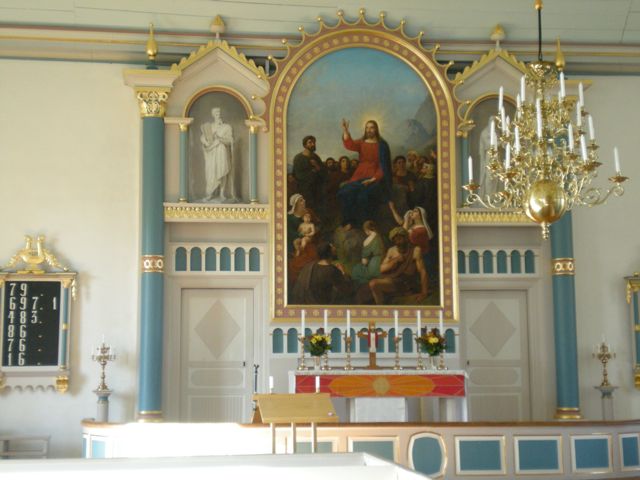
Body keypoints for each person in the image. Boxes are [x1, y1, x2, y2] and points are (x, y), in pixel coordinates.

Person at [337, 119, 392, 230]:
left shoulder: (382, 145)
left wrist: (372, 179)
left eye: (371, 127)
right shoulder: (362, 142)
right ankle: (349, 221)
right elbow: (349, 145)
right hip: (359, 176)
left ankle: (361, 224)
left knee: (363, 196)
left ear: (376, 129)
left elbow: (383, 167)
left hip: (375, 177)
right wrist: (345, 130)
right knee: (344, 192)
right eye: (367, 127)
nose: (369, 130)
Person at [368, 227, 428, 304]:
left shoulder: (415, 250)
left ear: (406, 238)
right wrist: (394, 261)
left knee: (374, 284)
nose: (398, 241)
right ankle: (380, 308)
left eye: (400, 238)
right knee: (371, 284)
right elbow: (381, 269)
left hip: (406, 282)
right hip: (393, 279)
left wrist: (424, 292)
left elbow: (422, 271)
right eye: (395, 239)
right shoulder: (391, 250)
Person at [200, 107, 236, 202]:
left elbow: (230, 141)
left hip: (221, 150)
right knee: (211, 172)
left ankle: (222, 194)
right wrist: (205, 142)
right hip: (211, 153)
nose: (218, 114)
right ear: (213, 115)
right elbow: (204, 137)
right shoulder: (209, 126)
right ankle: (210, 194)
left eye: (219, 112)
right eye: (216, 113)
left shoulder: (227, 127)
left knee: (222, 171)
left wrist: (219, 138)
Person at [292, 135, 326, 212]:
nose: (313, 144)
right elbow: (298, 175)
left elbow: (323, 172)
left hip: (317, 186)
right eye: (310, 142)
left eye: (314, 142)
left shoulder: (316, 157)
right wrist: (313, 171)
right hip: (304, 187)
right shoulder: (298, 158)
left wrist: (316, 166)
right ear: (305, 145)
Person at [351, 220, 385, 286]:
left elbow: (365, 262)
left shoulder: (367, 241)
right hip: (384, 261)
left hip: (375, 266)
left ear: (366, 230)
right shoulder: (382, 236)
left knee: (356, 269)